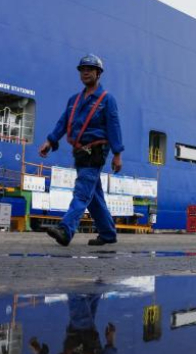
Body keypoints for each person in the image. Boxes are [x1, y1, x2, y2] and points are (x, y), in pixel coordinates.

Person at [39, 54, 124, 247]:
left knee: (82, 191)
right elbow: (63, 122)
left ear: (98, 73)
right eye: (82, 69)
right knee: (94, 197)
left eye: (90, 69)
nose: (85, 72)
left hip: (96, 152)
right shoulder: (74, 100)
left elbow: (114, 127)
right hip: (80, 153)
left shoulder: (107, 99)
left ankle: (66, 229)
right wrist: (50, 141)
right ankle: (108, 234)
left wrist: (117, 155)